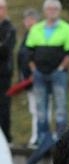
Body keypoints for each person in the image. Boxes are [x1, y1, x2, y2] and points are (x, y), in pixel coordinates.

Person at [25, 0, 69, 144]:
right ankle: (42, 138)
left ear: (59, 11)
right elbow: (29, 51)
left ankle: (60, 137)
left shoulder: (66, 28)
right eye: (49, 9)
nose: (52, 11)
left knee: (60, 106)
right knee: (40, 108)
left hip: (58, 73)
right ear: (44, 11)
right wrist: (33, 69)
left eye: (55, 8)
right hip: (39, 73)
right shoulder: (36, 28)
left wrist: (61, 68)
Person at [17, 8, 40, 147]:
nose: (27, 22)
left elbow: (38, 56)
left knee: (40, 109)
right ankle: (35, 136)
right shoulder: (27, 35)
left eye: (30, 19)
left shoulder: (39, 34)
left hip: (37, 77)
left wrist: (34, 73)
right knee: (33, 108)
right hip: (27, 79)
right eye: (26, 19)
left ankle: (38, 137)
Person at [0, 0, 16, 144]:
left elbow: (5, 50)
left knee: (4, 106)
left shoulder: (10, 28)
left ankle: (5, 137)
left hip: (4, 74)